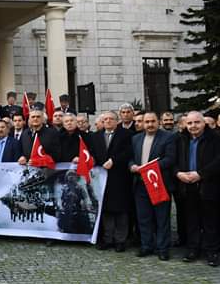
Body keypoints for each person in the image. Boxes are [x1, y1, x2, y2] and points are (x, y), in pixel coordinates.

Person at [129, 111, 177, 261]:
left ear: (158, 122)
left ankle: (163, 249)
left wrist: (149, 168)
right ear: (142, 123)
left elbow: (170, 159)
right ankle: (146, 246)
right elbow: (131, 158)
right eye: (147, 122)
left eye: (153, 121)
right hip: (140, 185)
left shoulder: (168, 137)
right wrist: (132, 166)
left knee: (162, 218)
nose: (150, 124)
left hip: (159, 184)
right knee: (144, 218)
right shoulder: (136, 138)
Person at [175, 111, 220, 266]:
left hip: (209, 185)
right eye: (189, 123)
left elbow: (218, 161)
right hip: (187, 186)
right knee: (191, 220)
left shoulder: (215, 138)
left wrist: (201, 174)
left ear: (203, 123)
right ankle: (193, 249)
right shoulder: (181, 139)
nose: (193, 126)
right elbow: (174, 160)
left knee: (210, 221)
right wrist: (178, 173)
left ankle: (212, 252)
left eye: (196, 122)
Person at [90, 111, 133, 251]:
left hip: (120, 177)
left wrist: (114, 160)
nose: (108, 121)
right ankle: (108, 238)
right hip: (102, 178)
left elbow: (129, 152)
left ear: (117, 120)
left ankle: (120, 240)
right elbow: (92, 153)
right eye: (105, 119)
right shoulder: (96, 136)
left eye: (111, 119)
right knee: (106, 210)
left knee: (121, 210)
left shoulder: (126, 134)